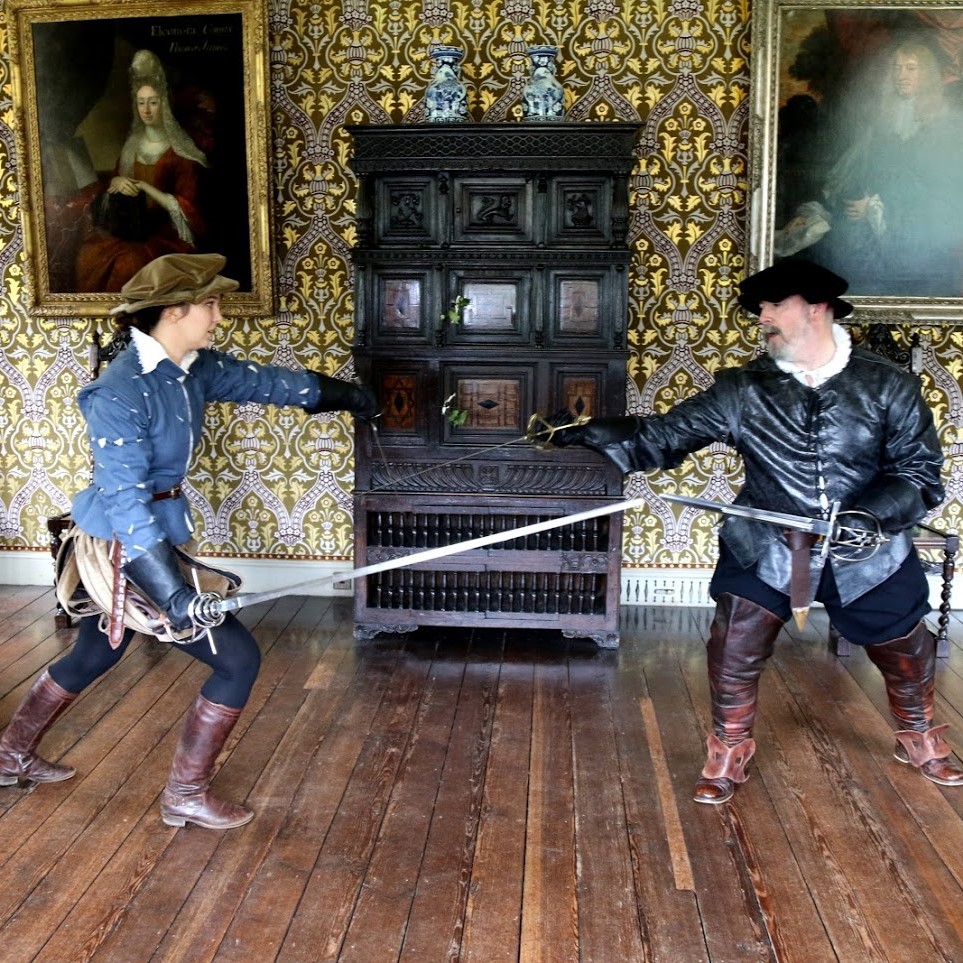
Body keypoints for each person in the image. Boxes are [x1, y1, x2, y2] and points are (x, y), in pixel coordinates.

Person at [548, 258, 963, 804]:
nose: (762, 317)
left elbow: (918, 473)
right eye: (761, 308)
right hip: (766, 543)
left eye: (774, 305)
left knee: (904, 646)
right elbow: (665, 435)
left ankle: (919, 735)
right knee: (734, 643)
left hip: (867, 548)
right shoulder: (742, 388)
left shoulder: (889, 385)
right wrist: (595, 433)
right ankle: (728, 747)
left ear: (817, 308)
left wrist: (871, 515)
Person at [0, 253, 378, 829]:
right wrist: (172, 594)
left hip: (149, 532)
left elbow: (265, 383)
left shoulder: (191, 367)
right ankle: (185, 795)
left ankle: (9, 755)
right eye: (211, 304)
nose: (219, 316)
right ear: (174, 310)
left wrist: (350, 397)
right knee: (238, 661)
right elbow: (127, 503)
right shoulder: (118, 391)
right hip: (124, 546)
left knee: (97, 652)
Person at [776, 37, 963, 295]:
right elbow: (857, 171)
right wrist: (830, 207)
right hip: (867, 218)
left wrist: (876, 206)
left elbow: (939, 189)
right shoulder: (882, 121)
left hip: (915, 228)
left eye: (911, 68)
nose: (902, 75)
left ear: (927, 74)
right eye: (897, 68)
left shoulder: (943, 126)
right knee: (821, 259)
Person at [74, 50, 210, 292]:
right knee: (89, 255)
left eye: (153, 102)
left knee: (129, 263)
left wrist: (146, 188)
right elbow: (116, 188)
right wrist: (116, 181)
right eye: (141, 102)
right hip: (133, 227)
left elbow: (190, 211)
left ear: (163, 104)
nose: (146, 109)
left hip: (167, 233)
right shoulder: (131, 147)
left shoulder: (181, 153)